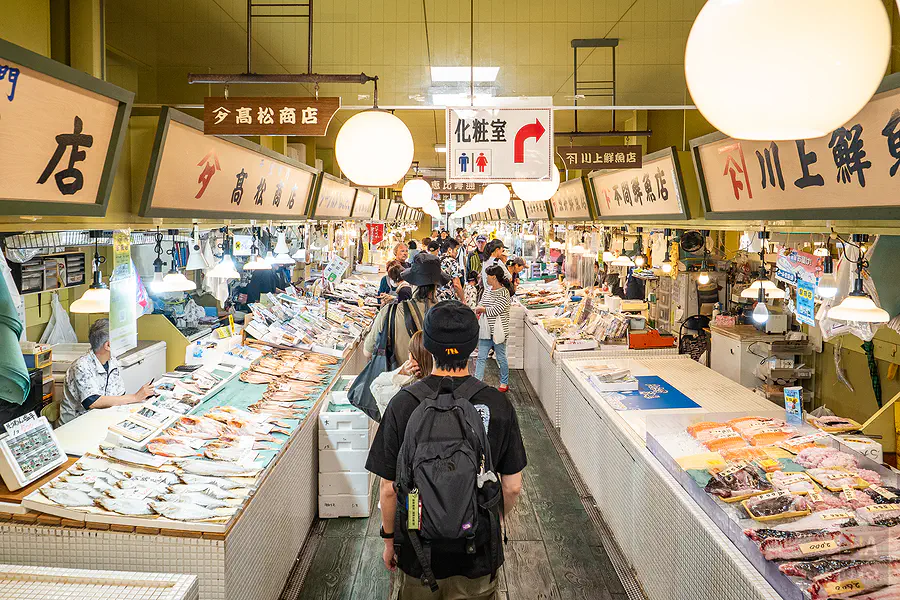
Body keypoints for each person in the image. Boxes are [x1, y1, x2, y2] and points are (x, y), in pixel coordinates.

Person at [366, 301, 527, 599]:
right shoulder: (498, 404)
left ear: (427, 344)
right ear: (473, 347)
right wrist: (491, 519)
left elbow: (388, 489)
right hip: (476, 553)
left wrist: (389, 539)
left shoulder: (403, 404)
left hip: (419, 554)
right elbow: (513, 486)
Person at [60, 319, 156, 425]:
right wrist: (135, 397)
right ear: (108, 345)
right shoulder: (81, 366)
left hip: (103, 418)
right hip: (77, 425)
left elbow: (119, 395)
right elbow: (93, 401)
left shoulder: (112, 361)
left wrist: (140, 397)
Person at [364, 253, 447, 364]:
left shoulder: (389, 312)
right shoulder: (446, 315)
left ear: (412, 283)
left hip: (398, 378)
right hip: (434, 379)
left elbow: (367, 352)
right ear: (437, 285)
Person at [369, 331, 433, 418]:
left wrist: (402, 373)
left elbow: (375, 386)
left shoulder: (405, 394)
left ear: (412, 357)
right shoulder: (444, 388)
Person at [475, 265, 512, 393]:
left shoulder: (504, 292)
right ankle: (477, 383)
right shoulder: (488, 290)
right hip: (486, 331)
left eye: (488, 276)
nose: (486, 278)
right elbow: (482, 302)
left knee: (501, 357)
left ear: (494, 277)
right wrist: (480, 308)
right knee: (481, 357)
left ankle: (504, 382)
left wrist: (482, 310)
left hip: (499, 331)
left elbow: (497, 309)